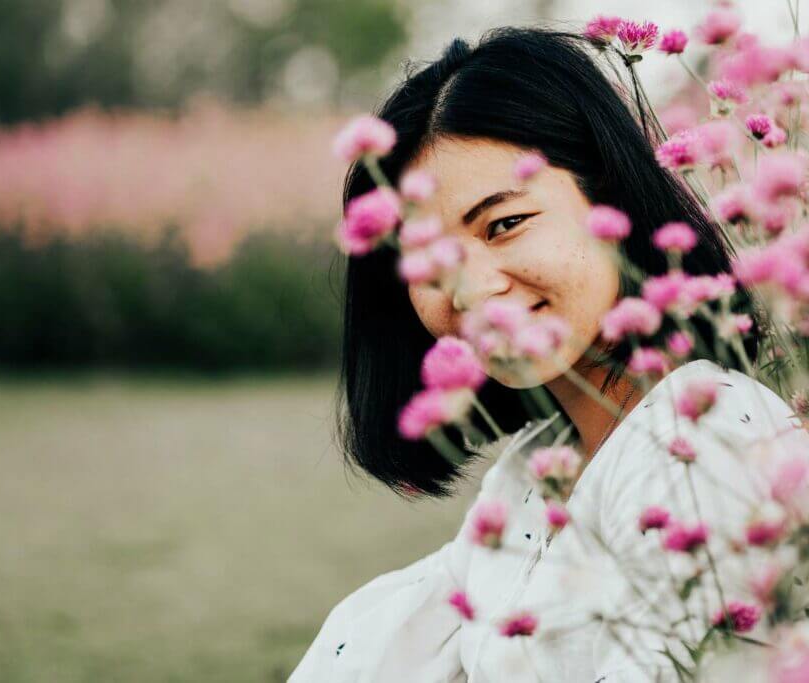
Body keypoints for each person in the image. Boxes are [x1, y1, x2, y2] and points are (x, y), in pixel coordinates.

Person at [291, 27, 809, 682]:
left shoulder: (699, 447)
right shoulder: (537, 467)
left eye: (504, 224)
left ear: (609, 199)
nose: (473, 289)